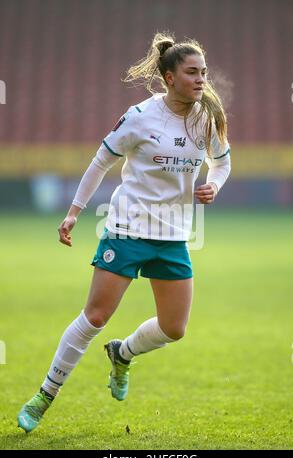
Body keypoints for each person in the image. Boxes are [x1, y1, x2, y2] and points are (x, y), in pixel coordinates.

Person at [17, 32, 231, 433]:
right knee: (95, 315)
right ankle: (44, 395)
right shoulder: (139, 117)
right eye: (191, 72)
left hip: (173, 235)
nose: (201, 79)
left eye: (203, 72)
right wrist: (73, 213)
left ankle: (123, 353)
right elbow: (100, 162)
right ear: (169, 77)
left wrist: (214, 185)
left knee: (174, 329)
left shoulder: (207, 116)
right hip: (127, 228)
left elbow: (221, 162)